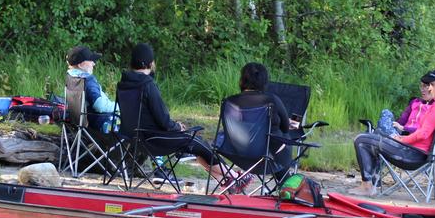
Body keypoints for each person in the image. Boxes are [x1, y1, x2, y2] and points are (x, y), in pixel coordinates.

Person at [116, 43, 221, 180]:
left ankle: (225, 179)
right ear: (150, 63)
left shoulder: (123, 84)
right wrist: (177, 126)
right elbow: (163, 120)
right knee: (194, 140)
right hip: (153, 140)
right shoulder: (147, 85)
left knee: (195, 142)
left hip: (130, 139)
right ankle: (232, 176)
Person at [354, 67, 435, 195]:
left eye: (432, 84)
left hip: (411, 154)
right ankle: (372, 183)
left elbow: (423, 134)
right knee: (373, 136)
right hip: (420, 154)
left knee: (361, 140)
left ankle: (367, 186)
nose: (429, 88)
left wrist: (402, 139)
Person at [223, 62, 301, 175]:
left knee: (275, 142)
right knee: (284, 138)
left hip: (237, 155)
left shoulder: (228, 102)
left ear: (242, 80)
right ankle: (284, 182)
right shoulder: (272, 100)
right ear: (264, 82)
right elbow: (285, 128)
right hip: (266, 158)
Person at [65, 45, 116, 130]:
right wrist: (118, 106)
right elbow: (100, 106)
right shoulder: (87, 80)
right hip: (97, 122)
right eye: (90, 61)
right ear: (81, 65)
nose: (94, 63)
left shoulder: (71, 78)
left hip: (78, 122)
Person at [376, 73, 435, 137]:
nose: (422, 90)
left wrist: (403, 128)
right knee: (386, 112)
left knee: (382, 131)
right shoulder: (415, 102)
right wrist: (394, 125)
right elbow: (402, 120)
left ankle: (378, 133)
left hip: (412, 136)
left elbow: (424, 131)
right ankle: (381, 133)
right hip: (401, 131)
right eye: (421, 86)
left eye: (425, 86)